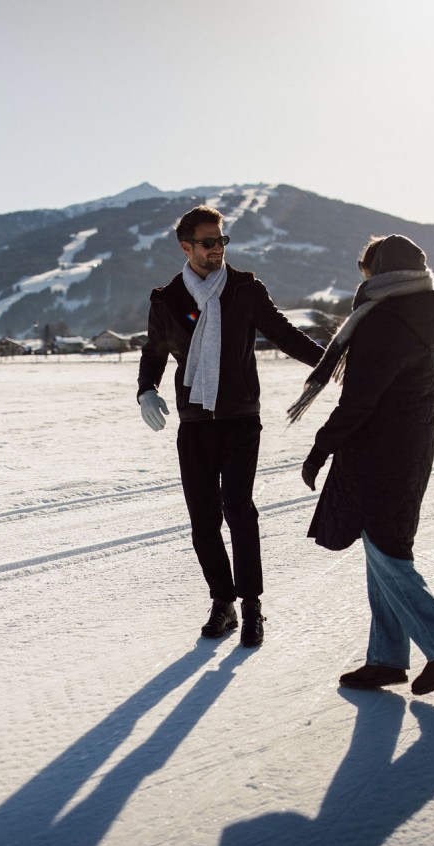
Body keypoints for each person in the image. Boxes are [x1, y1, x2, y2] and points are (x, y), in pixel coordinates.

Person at [288, 233, 434, 695]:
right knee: (380, 548)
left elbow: (360, 399)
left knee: (388, 552)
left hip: (380, 452)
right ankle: (387, 659)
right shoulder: (422, 310)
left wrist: (321, 445)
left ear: (382, 271)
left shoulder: (384, 321)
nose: (362, 278)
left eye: (365, 269)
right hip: (408, 446)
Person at [137, 205, 325, 647]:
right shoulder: (168, 300)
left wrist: (331, 362)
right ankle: (222, 603)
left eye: (222, 240)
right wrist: (146, 388)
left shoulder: (244, 289)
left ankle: (252, 605)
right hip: (195, 423)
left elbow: (284, 334)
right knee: (203, 520)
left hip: (241, 418)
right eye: (208, 242)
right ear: (187, 247)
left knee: (240, 511)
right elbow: (154, 351)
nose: (218, 248)